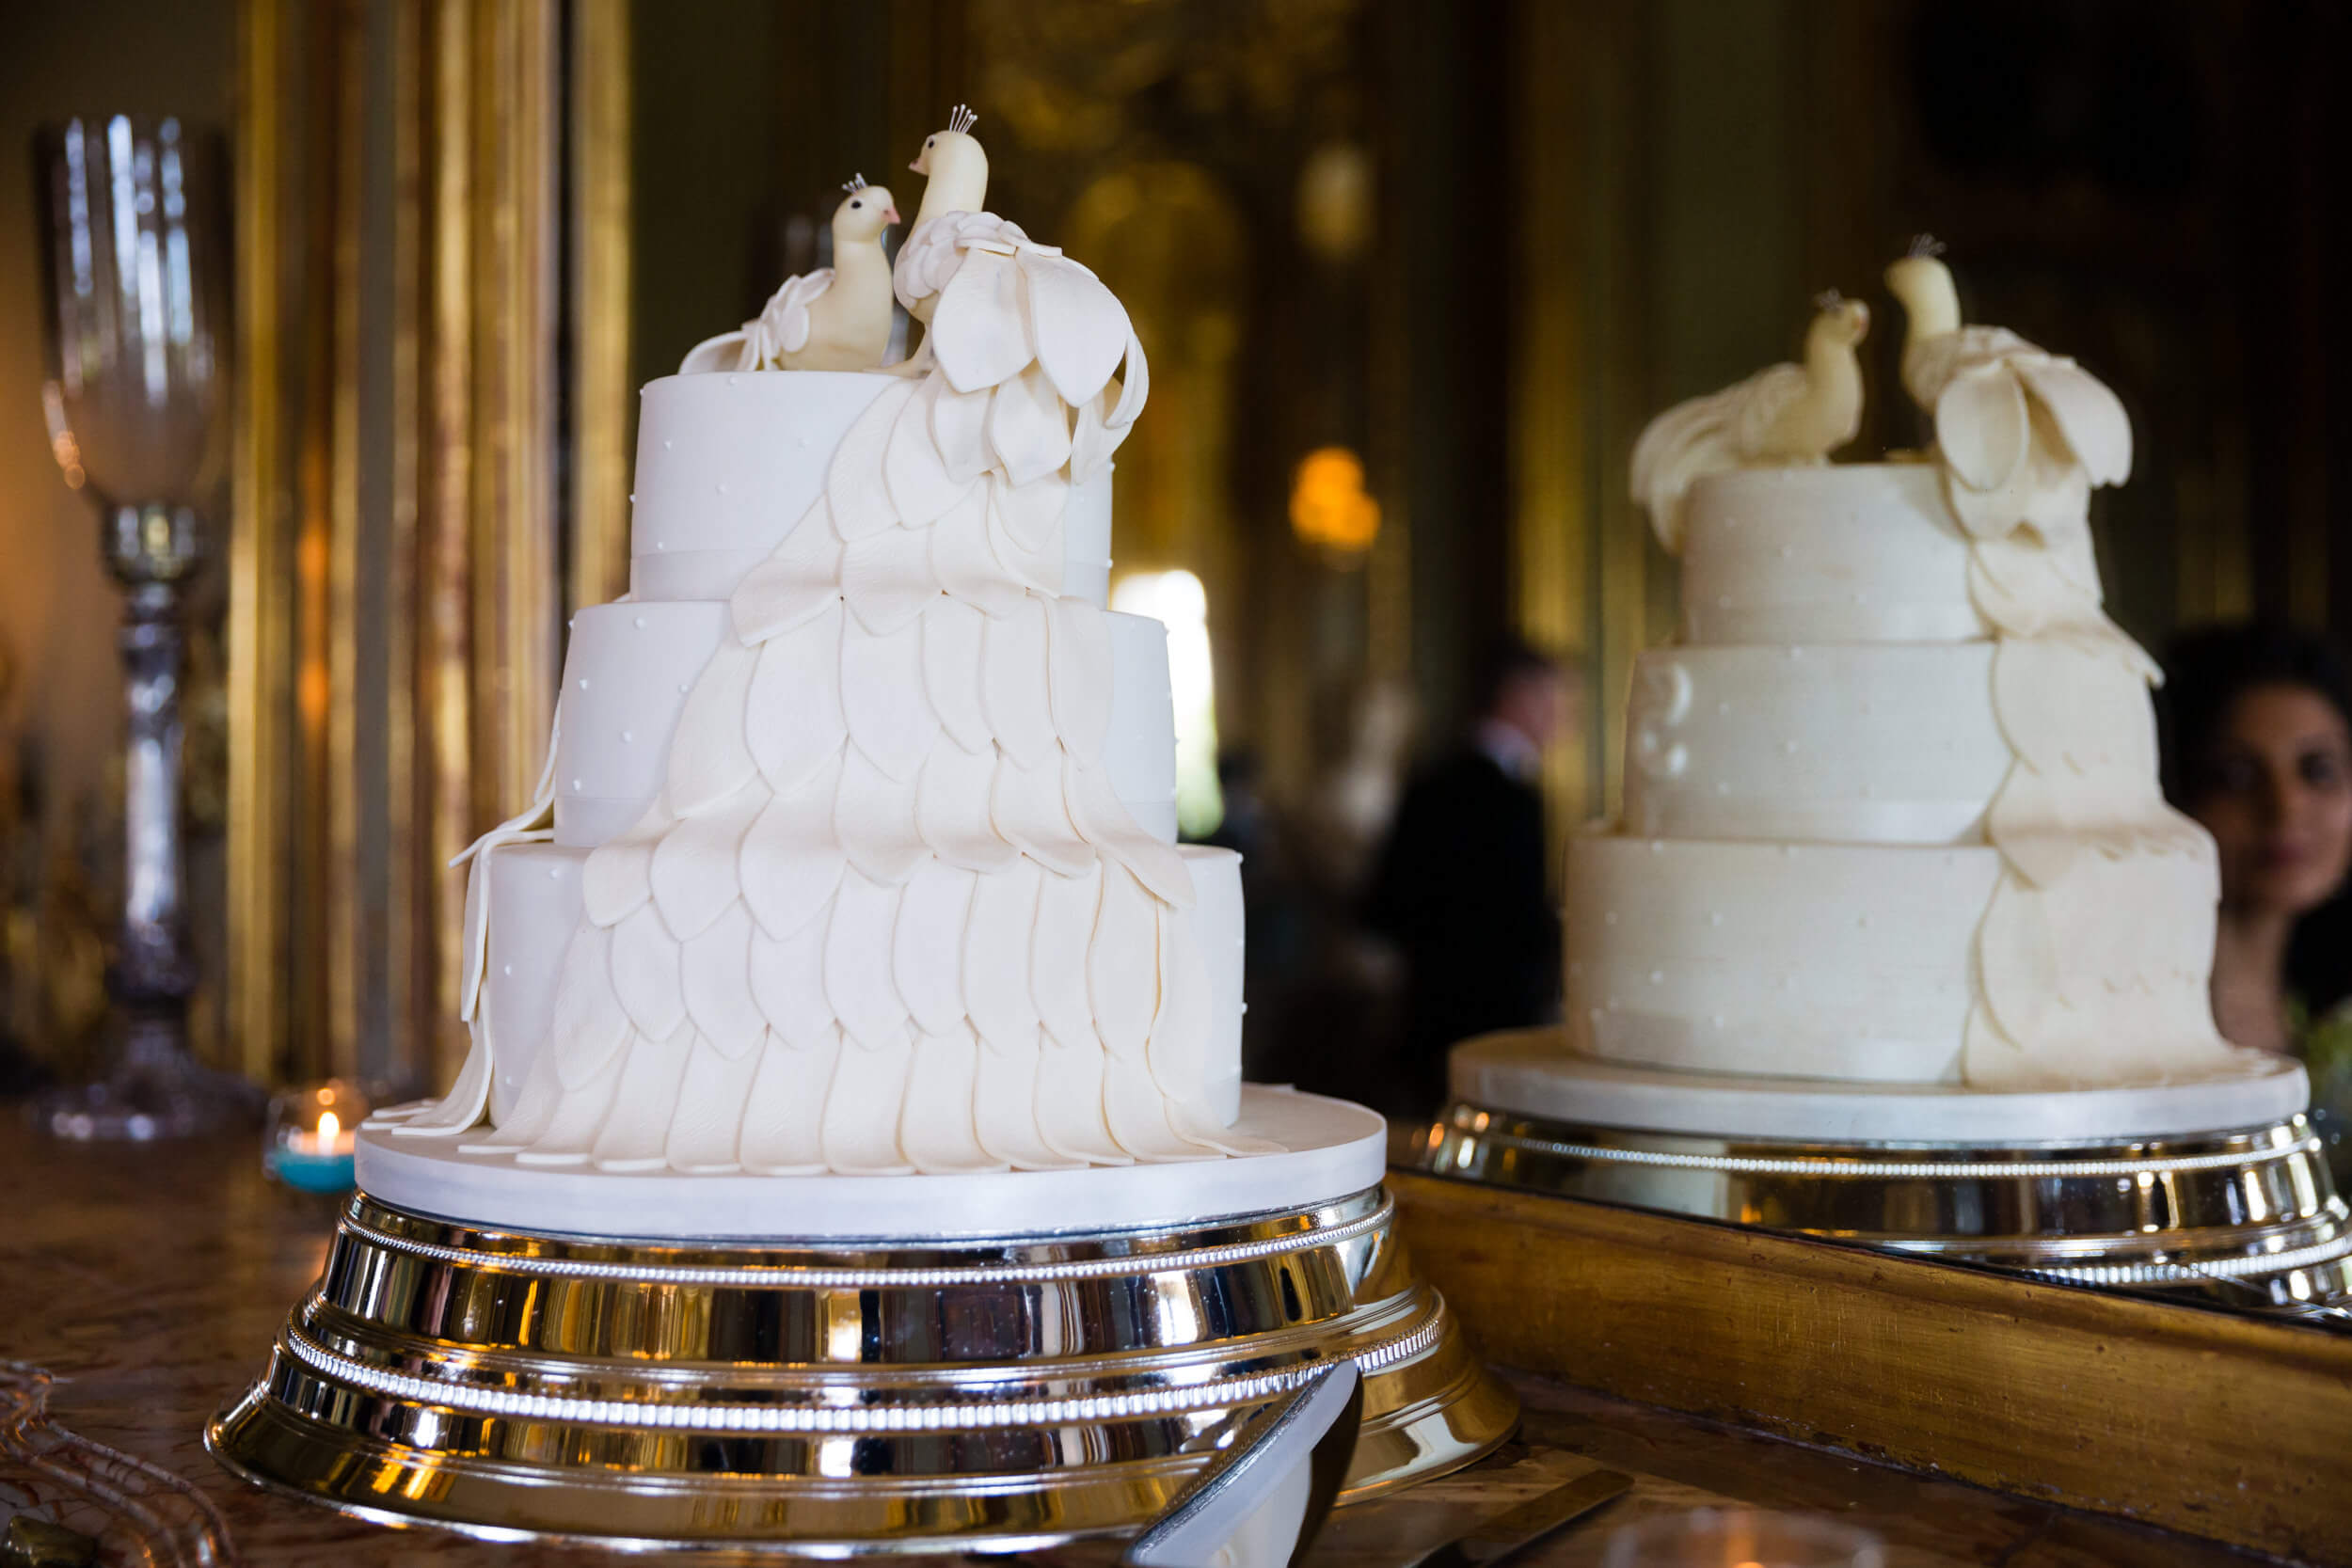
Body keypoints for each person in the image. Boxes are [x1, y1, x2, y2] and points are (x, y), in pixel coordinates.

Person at [2160, 622, 2352, 1177]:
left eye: (2318, 770)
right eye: (2236, 775)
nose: (2286, 809)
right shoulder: (2127, 1033)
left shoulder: (2331, 1028)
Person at [1366, 637, 1578, 1116]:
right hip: (1494, 1027)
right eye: (1555, 698)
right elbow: (1521, 924)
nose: (1564, 716)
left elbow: (1384, 906)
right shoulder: (1515, 798)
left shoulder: (1427, 781)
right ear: (1517, 696)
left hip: (1425, 1016)